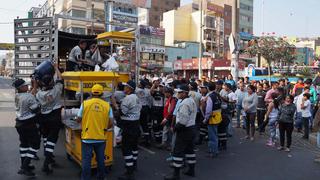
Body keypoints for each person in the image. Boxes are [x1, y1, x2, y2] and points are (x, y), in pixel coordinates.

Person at [77, 84, 113, 180]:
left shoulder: (85, 104)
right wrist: (104, 128)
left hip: (87, 138)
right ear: (101, 93)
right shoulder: (107, 106)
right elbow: (111, 123)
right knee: (101, 160)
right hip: (101, 138)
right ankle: (101, 177)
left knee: (86, 161)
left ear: (92, 92)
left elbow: (78, 119)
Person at [164, 84, 197, 180]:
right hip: (191, 129)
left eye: (179, 92)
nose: (177, 94)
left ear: (184, 93)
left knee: (178, 152)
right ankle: (191, 170)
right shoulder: (191, 101)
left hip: (184, 130)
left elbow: (183, 121)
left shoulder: (184, 103)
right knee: (190, 151)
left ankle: (175, 175)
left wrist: (175, 128)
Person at [35, 63, 63, 174]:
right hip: (54, 117)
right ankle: (46, 163)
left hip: (43, 118)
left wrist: (36, 82)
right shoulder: (57, 90)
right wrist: (56, 67)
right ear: (51, 81)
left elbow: (37, 87)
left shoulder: (39, 94)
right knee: (52, 139)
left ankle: (50, 158)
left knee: (46, 138)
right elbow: (60, 78)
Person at [13, 79, 40, 177]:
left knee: (24, 144)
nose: (27, 86)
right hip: (29, 123)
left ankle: (24, 164)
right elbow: (36, 109)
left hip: (19, 123)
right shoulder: (29, 97)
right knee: (35, 144)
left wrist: (34, 88)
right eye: (25, 85)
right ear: (21, 88)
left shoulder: (17, 95)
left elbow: (29, 95)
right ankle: (24, 166)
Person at [118, 80, 142, 180]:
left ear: (129, 88)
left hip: (128, 125)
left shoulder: (127, 99)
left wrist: (116, 106)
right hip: (136, 124)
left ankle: (129, 171)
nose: (124, 88)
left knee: (126, 148)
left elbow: (122, 112)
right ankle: (134, 165)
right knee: (134, 146)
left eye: (125, 87)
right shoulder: (137, 98)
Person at [204, 82, 222, 158]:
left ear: (208, 88)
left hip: (212, 118)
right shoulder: (217, 95)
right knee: (215, 134)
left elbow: (208, 110)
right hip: (218, 116)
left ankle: (213, 151)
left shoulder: (210, 97)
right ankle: (215, 150)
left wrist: (205, 118)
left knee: (212, 136)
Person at [219, 83, 236, 149]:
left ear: (228, 87)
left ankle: (229, 132)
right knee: (227, 121)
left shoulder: (232, 94)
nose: (224, 87)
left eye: (225, 86)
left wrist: (227, 100)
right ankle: (227, 132)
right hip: (225, 109)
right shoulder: (223, 91)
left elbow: (234, 102)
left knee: (229, 121)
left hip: (229, 109)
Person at [136, 80, 152, 147]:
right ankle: (147, 140)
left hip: (139, 108)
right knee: (144, 124)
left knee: (137, 123)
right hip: (145, 107)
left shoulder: (137, 90)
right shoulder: (147, 90)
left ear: (141, 84)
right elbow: (149, 99)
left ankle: (137, 139)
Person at [150, 77, 165, 144]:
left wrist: (161, 90)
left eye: (162, 86)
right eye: (159, 86)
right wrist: (154, 84)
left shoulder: (164, 94)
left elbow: (164, 92)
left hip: (161, 111)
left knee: (161, 125)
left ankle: (161, 139)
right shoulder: (154, 92)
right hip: (155, 111)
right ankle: (157, 140)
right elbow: (151, 91)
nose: (160, 87)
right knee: (155, 126)